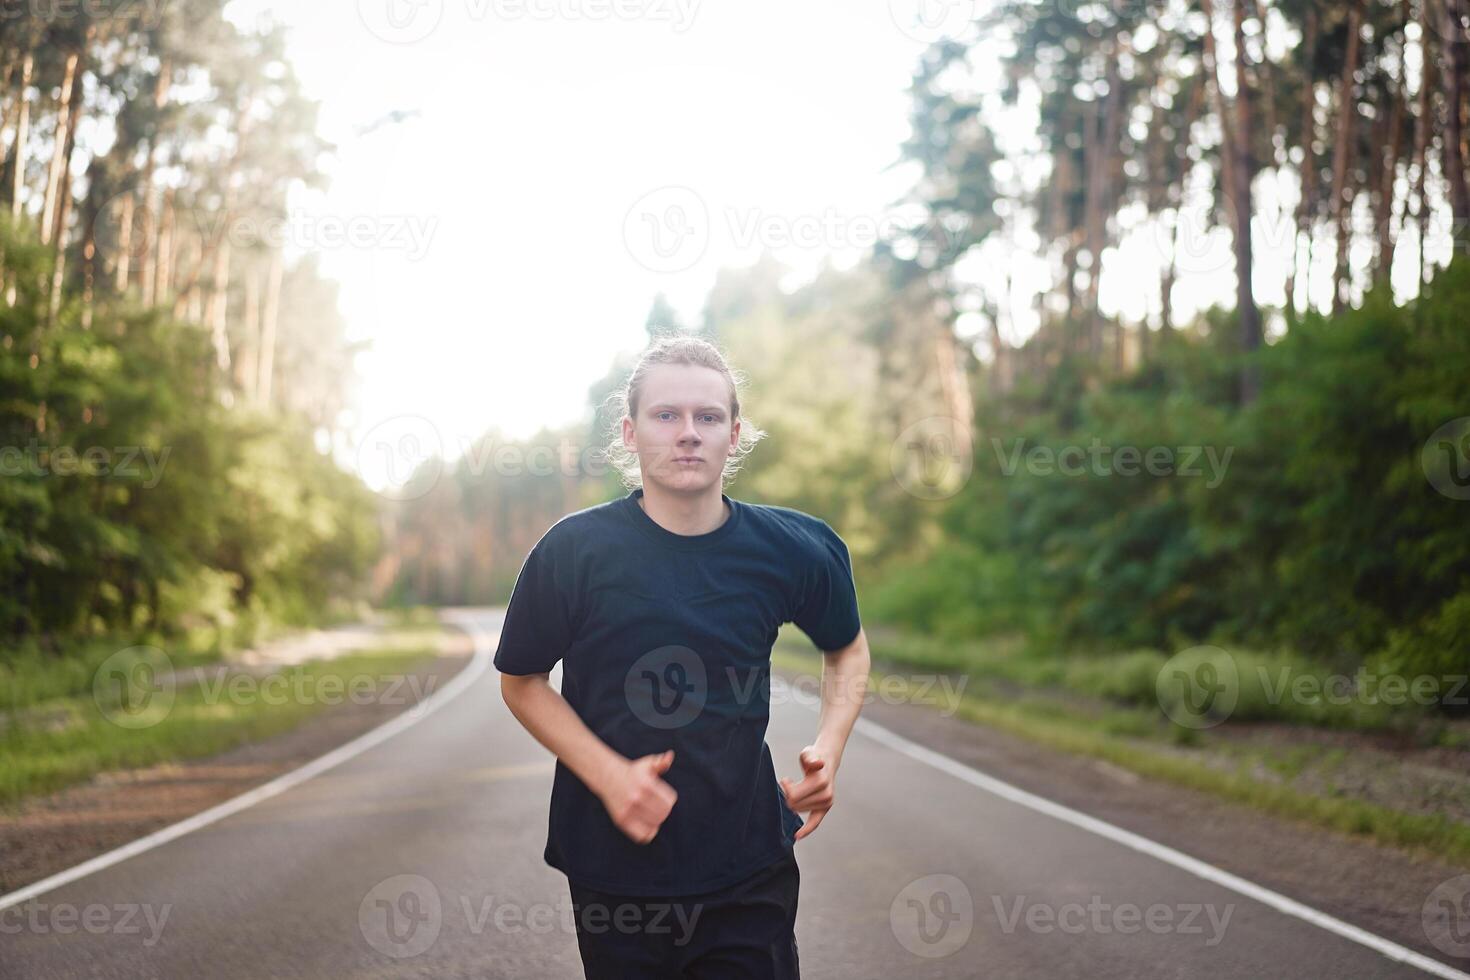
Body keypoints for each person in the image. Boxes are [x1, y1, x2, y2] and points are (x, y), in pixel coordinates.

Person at [494, 335, 871, 978]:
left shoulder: (794, 550)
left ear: (735, 433)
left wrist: (829, 747)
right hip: (614, 876)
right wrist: (611, 775)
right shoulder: (573, 552)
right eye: (666, 415)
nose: (688, 433)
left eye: (708, 417)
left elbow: (848, 650)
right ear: (631, 432)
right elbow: (521, 681)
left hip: (749, 866)